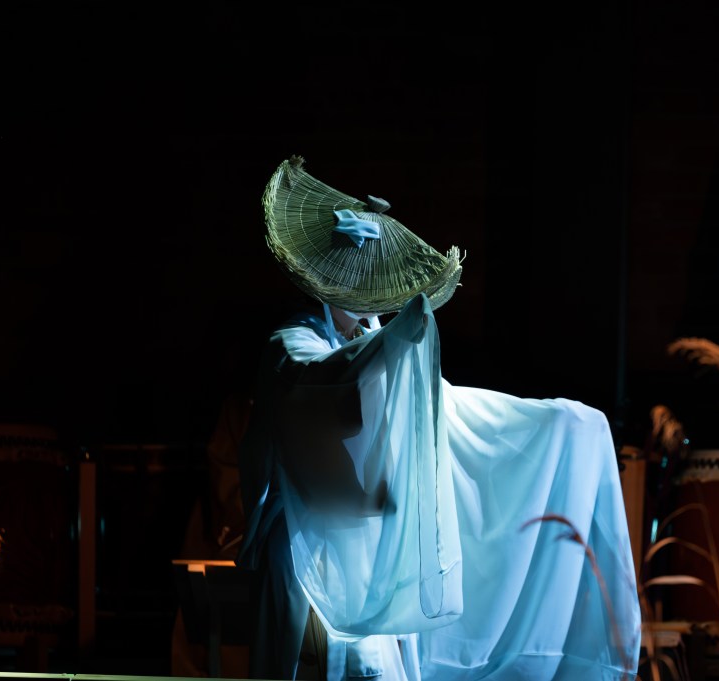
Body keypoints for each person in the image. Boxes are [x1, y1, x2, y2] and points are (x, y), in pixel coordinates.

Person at [237, 156, 641, 680]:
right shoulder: (294, 343)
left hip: (377, 558)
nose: (362, 295)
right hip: (311, 550)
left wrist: (556, 423)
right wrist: (387, 348)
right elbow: (319, 385)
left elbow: (449, 409)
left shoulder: (379, 340)